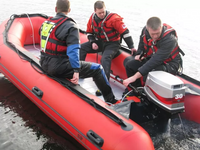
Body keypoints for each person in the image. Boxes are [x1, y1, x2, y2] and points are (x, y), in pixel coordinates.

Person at [39, 0, 117, 104]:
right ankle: (111, 100)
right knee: (98, 69)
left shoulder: (46, 23)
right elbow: (73, 50)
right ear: (69, 10)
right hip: (58, 67)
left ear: (56, 9)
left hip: (44, 62)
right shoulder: (71, 26)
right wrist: (76, 71)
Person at [80, 0, 136, 81]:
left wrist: (131, 47)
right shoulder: (92, 18)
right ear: (95, 11)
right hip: (100, 42)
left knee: (105, 58)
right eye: (99, 13)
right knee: (81, 48)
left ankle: (104, 83)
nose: (102, 14)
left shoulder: (114, 19)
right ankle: (81, 72)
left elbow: (125, 33)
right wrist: (93, 42)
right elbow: (89, 32)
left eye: (103, 12)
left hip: (113, 44)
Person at [123, 16, 184, 89]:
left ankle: (147, 96)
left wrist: (134, 77)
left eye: (157, 33)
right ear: (148, 29)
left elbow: (156, 60)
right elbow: (142, 43)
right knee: (130, 65)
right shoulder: (145, 31)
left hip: (170, 64)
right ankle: (136, 90)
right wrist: (139, 53)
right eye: (152, 34)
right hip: (153, 58)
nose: (155, 36)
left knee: (150, 74)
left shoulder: (170, 39)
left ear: (161, 27)